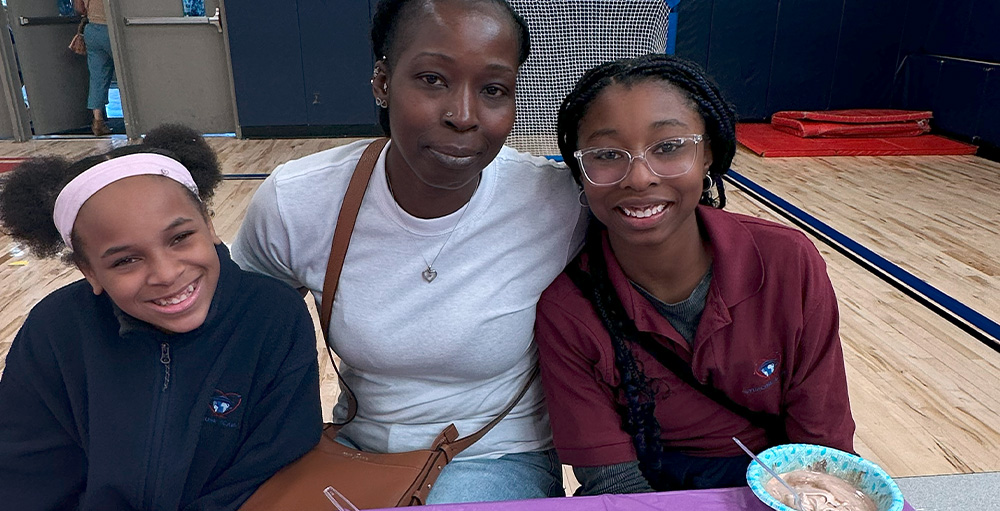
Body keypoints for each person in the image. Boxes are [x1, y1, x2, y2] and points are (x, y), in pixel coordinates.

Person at [231, 0, 586, 504]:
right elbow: (239, 342)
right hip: (354, 453)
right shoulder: (299, 202)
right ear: (381, 81)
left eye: (493, 90)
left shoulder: (556, 202)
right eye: (432, 79)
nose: (463, 116)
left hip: (494, 457)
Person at [535, 54, 856, 495]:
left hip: (782, 484)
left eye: (668, 147)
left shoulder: (788, 261)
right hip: (650, 489)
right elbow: (613, 480)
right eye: (607, 154)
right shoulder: (566, 308)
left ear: (709, 152)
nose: (639, 177)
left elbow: (823, 446)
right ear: (580, 171)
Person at [0, 125, 322, 510]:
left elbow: (274, 467)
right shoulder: (54, 332)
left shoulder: (273, 317)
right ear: (89, 272)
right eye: (126, 260)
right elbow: (26, 477)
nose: (167, 274)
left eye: (180, 238)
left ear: (209, 224)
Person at [74, 0, 114, 135]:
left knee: (97, 77)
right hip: (113, 28)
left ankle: (98, 121)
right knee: (130, 71)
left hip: (92, 29)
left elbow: (79, 8)